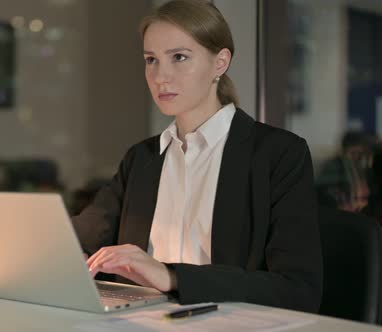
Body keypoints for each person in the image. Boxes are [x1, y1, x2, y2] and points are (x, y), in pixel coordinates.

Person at [72, 0, 322, 313]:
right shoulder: (142, 158)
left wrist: (172, 277)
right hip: (137, 322)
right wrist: (71, 260)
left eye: (179, 57)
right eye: (151, 60)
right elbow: (78, 241)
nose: (161, 76)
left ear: (220, 62)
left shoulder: (278, 154)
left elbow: (298, 290)